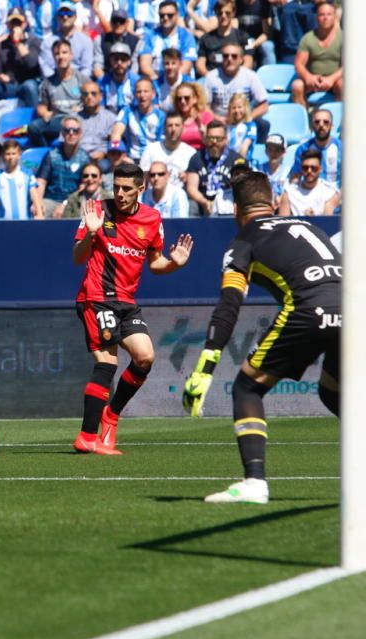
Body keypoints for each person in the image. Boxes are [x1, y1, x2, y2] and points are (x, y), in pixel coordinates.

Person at [181, 169, 339, 504]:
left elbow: (229, 305)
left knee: (247, 387)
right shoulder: (307, 226)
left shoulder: (244, 240)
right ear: (272, 201)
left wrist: (205, 367)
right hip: (355, 308)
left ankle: (254, 482)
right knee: (333, 392)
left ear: (236, 209)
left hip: (309, 309)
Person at [72, 162, 193, 454]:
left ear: (141, 189)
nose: (120, 193)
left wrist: (174, 263)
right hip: (96, 297)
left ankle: (111, 415)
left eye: (127, 189)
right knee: (107, 363)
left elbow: (155, 264)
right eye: (116, 187)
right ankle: (87, 437)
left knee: (145, 358)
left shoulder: (152, 218)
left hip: (126, 302)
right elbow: (78, 257)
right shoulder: (97, 210)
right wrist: (90, 233)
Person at [28, 39, 90, 147]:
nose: (61, 57)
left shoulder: (82, 80)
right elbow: (42, 105)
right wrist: (45, 113)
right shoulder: (47, 83)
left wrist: (83, 109)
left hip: (78, 119)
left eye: (64, 53)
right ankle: (47, 154)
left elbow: (92, 102)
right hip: (58, 120)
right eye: (57, 54)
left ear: (71, 55)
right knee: (34, 127)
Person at [0, 7, 42, 115]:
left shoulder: (34, 41)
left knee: (30, 87)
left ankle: (34, 123)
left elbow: (32, 64)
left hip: (26, 82)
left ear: (25, 24)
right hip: (9, 85)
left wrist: (17, 42)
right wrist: (0, 77)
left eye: (18, 23)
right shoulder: (2, 45)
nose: (15, 26)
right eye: (13, 23)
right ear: (8, 25)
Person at [201, 42, 268, 131]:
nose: (229, 59)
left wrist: (248, 118)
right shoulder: (211, 77)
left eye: (234, 56)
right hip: (218, 121)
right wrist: (218, 119)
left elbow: (264, 105)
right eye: (225, 56)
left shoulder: (250, 76)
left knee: (264, 124)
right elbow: (205, 106)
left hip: (244, 120)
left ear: (241, 60)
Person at [36, 115, 92, 217]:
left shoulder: (85, 158)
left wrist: (65, 204)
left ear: (80, 134)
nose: (71, 133)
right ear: (62, 133)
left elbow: (83, 186)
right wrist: (37, 203)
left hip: (74, 201)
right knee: (38, 210)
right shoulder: (51, 155)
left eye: (75, 130)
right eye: (67, 130)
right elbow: (41, 182)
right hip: (51, 200)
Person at [185, 120, 243, 216]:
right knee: (191, 205)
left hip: (227, 203)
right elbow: (191, 187)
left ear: (226, 139)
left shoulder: (236, 160)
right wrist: (204, 202)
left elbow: (241, 188)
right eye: (211, 138)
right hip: (202, 202)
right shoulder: (197, 157)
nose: (214, 142)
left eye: (218, 139)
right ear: (206, 139)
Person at [291, 0, 342, 107]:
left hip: (335, 81)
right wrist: (308, 77)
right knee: (297, 86)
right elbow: (298, 64)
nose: (325, 18)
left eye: (329, 14)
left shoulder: (343, 38)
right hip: (312, 81)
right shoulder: (308, 38)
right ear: (317, 17)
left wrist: (331, 79)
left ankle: (340, 119)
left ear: (335, 17)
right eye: (322, 15)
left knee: (342, 84)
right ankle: (303, 119)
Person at [110, 77, 164, 161]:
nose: (142, 95)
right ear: (135, 95)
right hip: (132, 159)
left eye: (146, 91)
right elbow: (116, 133)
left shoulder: (160, 116)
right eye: (139, 92)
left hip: (153, 160)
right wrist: (121, 156)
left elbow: (162, 143)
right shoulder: (127, 111)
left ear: (153, 94)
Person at [139, 0, 197, 79]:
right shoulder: (150, 36)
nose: (165, 18)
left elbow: (186, 66)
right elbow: (145, 65)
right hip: (157, 80)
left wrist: (170, 80)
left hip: (180, 81)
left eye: (170, 15)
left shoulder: (186, 36)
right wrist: (159, 81)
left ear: (177, 15)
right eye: (162, 15)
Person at [0, 139, 40, 219]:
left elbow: (34, 194)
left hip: (25, 222)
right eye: (8, 154)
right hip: (3, 224)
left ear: (19, 155)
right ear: (3, 156)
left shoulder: (27, 174)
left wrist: (40, 213)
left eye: (13, 154)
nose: (11, 157)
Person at [140, 111, 195, 189]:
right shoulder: (151, 149)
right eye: (170, 125)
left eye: (177, 125)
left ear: (183, 128)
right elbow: (143, 181)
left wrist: (188, 180)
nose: (173, 129)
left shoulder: (191, 153)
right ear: (164, 128)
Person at [278, 148, 340, 216]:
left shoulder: (330, 193)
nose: (309, 171)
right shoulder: (289, 193)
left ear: (320, 169)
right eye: (305, 168)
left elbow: (328, 222)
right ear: (301, 169)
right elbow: (283, 222)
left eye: (314, 168)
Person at [196, 0, 252, 76]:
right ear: (215, 13)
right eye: (220, 13)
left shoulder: (244, 37)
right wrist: (211, 78)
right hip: (212, 79)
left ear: (233, 13)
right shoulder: (205, 39)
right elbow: (200, 65)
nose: (223, 16)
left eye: (227, 13)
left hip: (237, 79)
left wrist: (238, 78)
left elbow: (248, 61)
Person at [288, 107, 341, 187]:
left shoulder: (342, 148)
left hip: (337, 194)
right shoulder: (303, 149)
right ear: (312, 126)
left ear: (332, 126)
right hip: (310, 195)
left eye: (326, 122)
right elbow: (295, 177)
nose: (321, 125)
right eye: (317, 122)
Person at [40, 1, 93, 78]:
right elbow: (46, 68)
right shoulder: (48, 42)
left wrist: (75, 83)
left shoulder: (85, 41)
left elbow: (87, 68)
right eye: (61, 14)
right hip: (55, 83)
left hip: (78, 82)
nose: (65, 17)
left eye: (69, 14)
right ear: (58, 18)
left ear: (75, 17)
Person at [98, 41, 139, 114]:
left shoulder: (137, 81)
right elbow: (100, 106)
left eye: (123, 59)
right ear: (110, 60)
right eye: (116, 59)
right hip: (109, 118)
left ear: (129, 61)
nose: (119, 63)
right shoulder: (102, 82)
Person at [173, 81, 213, 150]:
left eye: (186, 98)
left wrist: (203, 132)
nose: (182, 101)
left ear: (195, 99)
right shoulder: (175, 119)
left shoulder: (206, 117)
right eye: (179, 99)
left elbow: (212, 143)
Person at [224, 92, 257, 161]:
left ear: (245, 108)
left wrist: (239, 164)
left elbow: (244, 147)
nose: (237, 110)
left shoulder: (250, 126)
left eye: (239, 107)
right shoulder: (227, 126)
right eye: (233, 108)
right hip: (227, 161)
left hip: (243, 162)